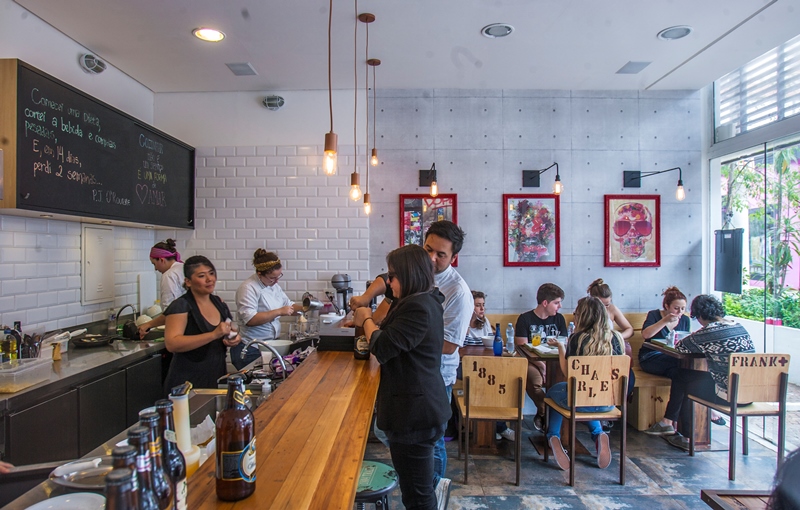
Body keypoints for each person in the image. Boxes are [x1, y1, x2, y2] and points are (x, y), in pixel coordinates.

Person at [349, 220, 472, 507]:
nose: (432, 258)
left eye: (440, 254)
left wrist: (367, 320)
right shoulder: (416, 295)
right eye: (428, 250)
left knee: (419, 490)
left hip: (419, 402)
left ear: (453, 257)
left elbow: (386, 346)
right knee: (413, 479)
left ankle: (436, 490)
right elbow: (385, 290)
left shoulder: (437, 299)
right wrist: (369, 305)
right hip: (415, 400)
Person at [646, 294, 754, 450]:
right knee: (684, 376)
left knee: (683, 379)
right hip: (750, 393)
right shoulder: (737, 325)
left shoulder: (708, 332)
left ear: (700, 315)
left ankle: (685, 435)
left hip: (729, 395)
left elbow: (681, 346)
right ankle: (669, 423)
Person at [545, 296, 626, 471]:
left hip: (580, 401)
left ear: (583, 316)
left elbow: (568, 373)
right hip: (609, 402)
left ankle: (553, 437)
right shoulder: (617, 338)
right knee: (590, 396)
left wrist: (561, 347)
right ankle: (598, 434)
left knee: (552, 392)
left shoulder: (578, 339)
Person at [162, 256, 241, 394]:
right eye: (201, 276)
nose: (209, 279)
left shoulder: (219, 303)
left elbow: (230, 329)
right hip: (187, 382)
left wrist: (233, 338)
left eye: (211, 273)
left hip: (216, 375)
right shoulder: (181, 305)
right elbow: (172, 343)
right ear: (188, 282)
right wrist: (213, 334)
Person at [232, 249, 302, 369]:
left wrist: (307, 307)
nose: (276, 281)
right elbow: (250, 319)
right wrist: (279, 311)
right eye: (272, 277)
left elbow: (289, 306)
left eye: (279, 276)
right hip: (252, 349)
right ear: (260, 274)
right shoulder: (248, 288)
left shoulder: (273, 286)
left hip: (270, 346)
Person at [513, 283, 568, 431]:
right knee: (534, 381)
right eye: (556, 303)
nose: (560, 306)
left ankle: (551, 419)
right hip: (532, 361)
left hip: (556, 362)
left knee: (563, 381)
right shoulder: (525, 319)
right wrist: (542, 365)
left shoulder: (559, 319)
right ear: (545, 303)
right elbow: (522, 347)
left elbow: (564, 344)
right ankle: (546, 411)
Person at [587, 278, 635, 397]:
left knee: (628, 377)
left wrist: (617, 337)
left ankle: (618, 403)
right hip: (592, 353)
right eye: (601, 305)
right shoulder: (586, 311)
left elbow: (629, 329)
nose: (604, 308)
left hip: (611, 351)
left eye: (607, 304)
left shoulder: (612, 309)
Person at [138, 239, 186, 338]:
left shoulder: (169, 275)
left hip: (182, 329)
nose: (155, 269)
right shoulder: (184, 267)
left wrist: (148, 324)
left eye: (154, 264)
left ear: (161, 260)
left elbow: (170, 313)